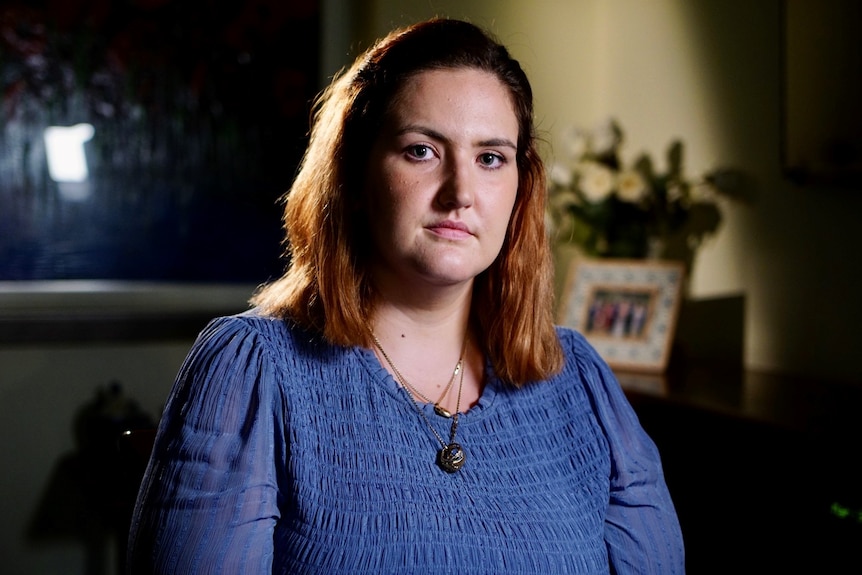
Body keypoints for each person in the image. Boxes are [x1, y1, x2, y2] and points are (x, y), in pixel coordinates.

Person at [126, 18, 684, 574]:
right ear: (353, 176)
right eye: (422, 151)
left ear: (521, 187)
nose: (460, 193)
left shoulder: (580, 382)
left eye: (490, 158)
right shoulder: (256, 373)